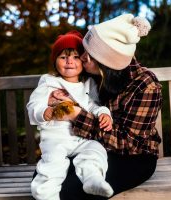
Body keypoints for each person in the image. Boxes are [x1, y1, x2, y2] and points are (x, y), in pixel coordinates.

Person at [50, 14, 163, 200]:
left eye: (90, 55)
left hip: (133, 156)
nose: (83, 58)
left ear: (107, 64)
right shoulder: (90, 74)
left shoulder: (146, 86)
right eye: (84, 50)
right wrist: (54, 97)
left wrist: (76, 115)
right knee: (45, 179)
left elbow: (129, 143)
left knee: (70, 190)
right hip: (89, 147)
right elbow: (60, 82)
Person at [26, 30, 114, 200]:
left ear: (83, 61)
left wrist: (104, 113)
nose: (69, 62)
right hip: (55, 139)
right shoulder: (49, 82)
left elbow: (93, 105)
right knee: (52, 166)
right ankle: (45, 194)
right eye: (63, 57)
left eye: (75, 57)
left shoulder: (88, 84)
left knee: (96, 149)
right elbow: (33, 105)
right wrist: (46, 112)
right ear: (55, 62)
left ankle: (92, 179)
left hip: (80, 139)